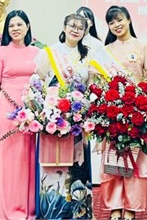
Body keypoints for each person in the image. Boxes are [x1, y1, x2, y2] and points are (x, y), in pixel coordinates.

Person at [101, 5, 147, 220]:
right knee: (113, 162)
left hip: (138, 114)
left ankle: (131, 208)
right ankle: (115, 207)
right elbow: (100, 81)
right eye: (111, 22)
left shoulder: (143, 47)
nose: (116, 25)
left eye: (120, 20)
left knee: (135, 163)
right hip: (112, 114)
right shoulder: (105, 51)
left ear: (129, 20)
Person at [34, 13, 95, 220]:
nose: (75, 30)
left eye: (80, 27)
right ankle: (53, 212)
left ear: (85, 32)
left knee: (78, 165)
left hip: (77, 119)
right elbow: (38, 80)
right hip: (55, 118)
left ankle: (80, 213)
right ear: (64, 27)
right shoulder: (50, 52)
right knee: (55, 164)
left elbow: (91, 85)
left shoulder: (88, 55)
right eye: (72, 25)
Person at [0, 10, 40, 219]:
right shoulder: (0, 53)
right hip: (6, 111)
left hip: (31, 113)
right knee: (7, 161)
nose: (15, 29)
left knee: (28, 159)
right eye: (11, 26)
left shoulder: (37, 52)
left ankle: (29, 208)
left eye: (19, 24)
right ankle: (5, 209)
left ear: (27, 26)